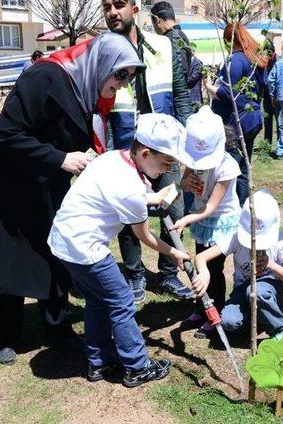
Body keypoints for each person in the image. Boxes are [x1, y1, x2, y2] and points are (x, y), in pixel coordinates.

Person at [0, 33, 145, 365]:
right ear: (101, 64)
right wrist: (61, 159)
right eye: (119, 74)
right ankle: (2, 333)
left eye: (128, 77)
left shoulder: (93, 92)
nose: (123, 83)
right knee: (8, 253)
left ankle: (57, 326)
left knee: (56, 245)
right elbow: (8, 134)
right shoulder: (45, 76)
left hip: (43, 175)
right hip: (4, 174)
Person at [48, 113, 190, 387]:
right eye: (165, 164)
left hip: (63, 242)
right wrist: (174, 254)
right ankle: (137, 366)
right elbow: (146, 236)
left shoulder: (113, 158)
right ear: (146, 153)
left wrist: (153, 197)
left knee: (98, 301)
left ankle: (99, 362)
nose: (166, 170)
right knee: (122, 300)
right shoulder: (130, 188)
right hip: (84, 248)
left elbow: (125, 194)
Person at [103, 0, 194, 302]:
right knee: (130, 215)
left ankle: (168, 274)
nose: (113, 12)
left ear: (135, 7)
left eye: (118, 4)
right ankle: (134, 275)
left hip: (164, 147)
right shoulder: (103, 52)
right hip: (125, 146)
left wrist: (184, 143)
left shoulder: (163, 45)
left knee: (176, 209)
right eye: (106, 6)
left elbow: (180, 93)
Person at [172, 106, 241, 338]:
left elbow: (212, 206)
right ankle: (201, 308)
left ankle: (216, 310)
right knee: (197, 264)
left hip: (221, 221)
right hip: (201, 219)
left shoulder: (227, 166)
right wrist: (187, 183)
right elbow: (183, 184)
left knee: (214, 268)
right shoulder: (194, 159)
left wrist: (187, 218)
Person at [192, 190, 283, 340]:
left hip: (269, 287)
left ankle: (279, 331)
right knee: (228, 322)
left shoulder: (281, 241)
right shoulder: (236, 238)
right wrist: (204, 273)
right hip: (242, 288)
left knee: (256, 293)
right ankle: (259, 315)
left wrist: (271, 265)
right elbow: (201, 257)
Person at [206, 22, 268, 206]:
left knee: (235, 165)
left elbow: (232, 95)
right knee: (245, 162)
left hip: (237, 121)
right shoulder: (255, 59)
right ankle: (245, 200)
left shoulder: (236, 60)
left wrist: (210, 87)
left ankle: (239, 203)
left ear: (228, 40)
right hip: (252, 117)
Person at [150, 1, 192, 80]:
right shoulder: (179, 34)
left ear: (159, 21)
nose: (154, 28)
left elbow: (181, 70)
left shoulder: (172, 38)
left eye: (153, 24)